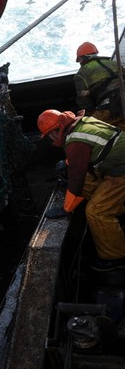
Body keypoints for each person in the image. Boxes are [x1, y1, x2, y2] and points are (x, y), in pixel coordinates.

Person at [38, 108, 125, 271]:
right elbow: (85, 155)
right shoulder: (82, 123)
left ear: (56, 131)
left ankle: (116, 258)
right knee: (89, 187)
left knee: (96, 212)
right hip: (116, 165)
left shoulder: (74, 140)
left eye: (49, 136)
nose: (51, 140)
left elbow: (77, 178)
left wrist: (66, 209)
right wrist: (68, 165)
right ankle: (118, 216)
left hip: (121, 171)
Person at [74, 41, 125, 130]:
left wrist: (90, 113)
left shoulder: (81, 74)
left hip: (110, 106)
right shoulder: (114, 63)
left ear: (81, 59)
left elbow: (84, 99)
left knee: (87, 129)